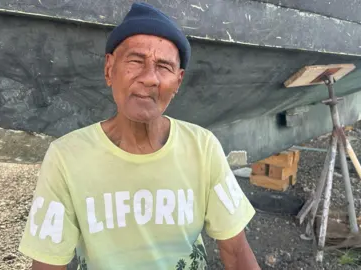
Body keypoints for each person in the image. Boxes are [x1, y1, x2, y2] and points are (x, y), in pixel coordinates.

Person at [18, 2, 259, 269]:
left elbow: (236, 251)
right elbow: (47, 264)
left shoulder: (203, 147)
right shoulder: (66, 158)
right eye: (135, 61)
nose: (150, 78)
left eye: (164, 67)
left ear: (178, 82)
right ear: (109, 69)